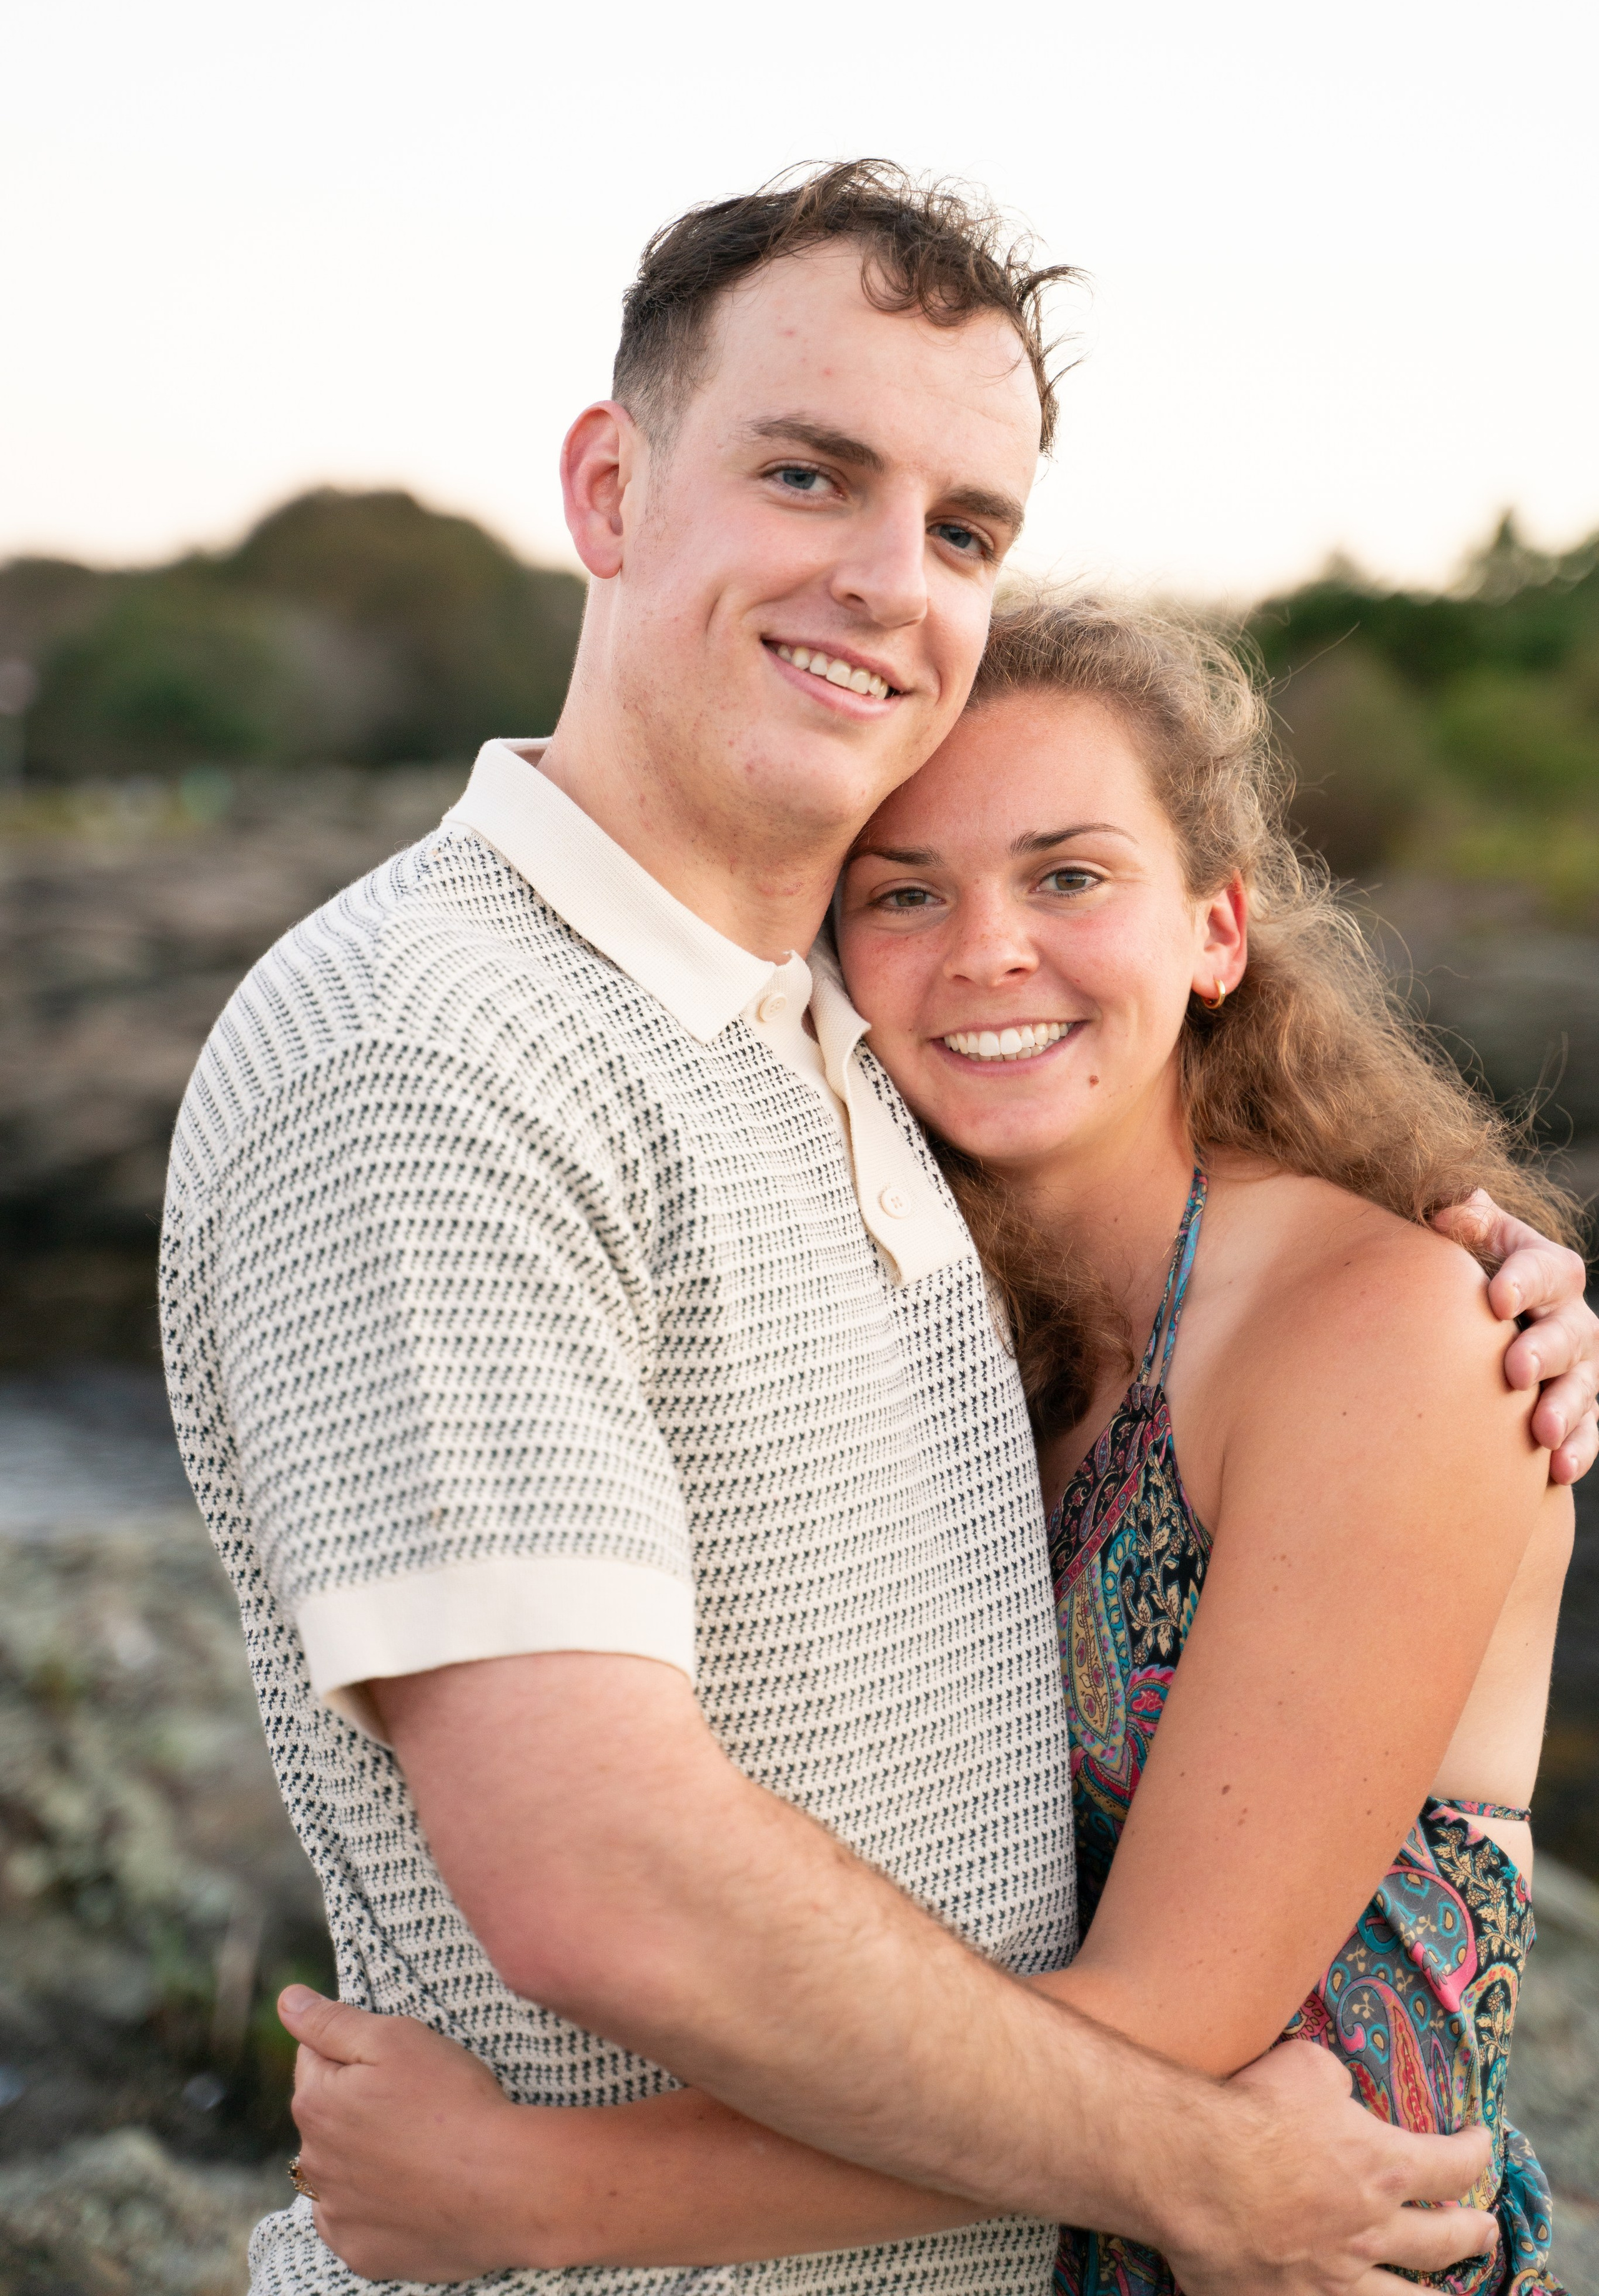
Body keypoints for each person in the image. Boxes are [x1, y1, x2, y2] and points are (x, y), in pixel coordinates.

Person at [161, 162, 1597, 2296]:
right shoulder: (434, 1054)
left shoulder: (816, 1044)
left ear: (1220, 929)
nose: (885, 581)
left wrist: (1483, 1297)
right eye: (809, 472)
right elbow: (600, 1875)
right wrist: (1205, 2173)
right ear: (610, 486)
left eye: (963, 529)